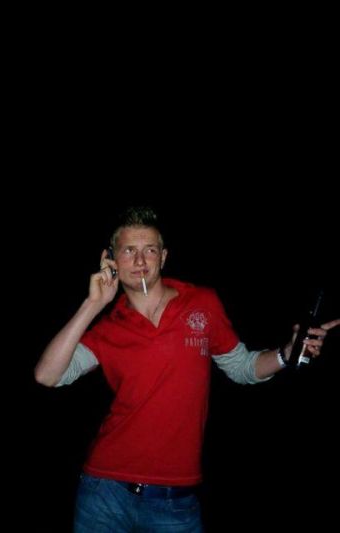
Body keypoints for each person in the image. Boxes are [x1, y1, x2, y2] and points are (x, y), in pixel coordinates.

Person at [34, 206, 339, 532]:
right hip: (104, 492)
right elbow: (47, 375)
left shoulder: (202, 303)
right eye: (129, 251)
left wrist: (286, 354)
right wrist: (93, 303)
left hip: (175, 500)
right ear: (110, 259)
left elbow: (243, 367)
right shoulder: (109, 328)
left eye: (150, 250)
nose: (140, 261)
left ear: (163, 257)